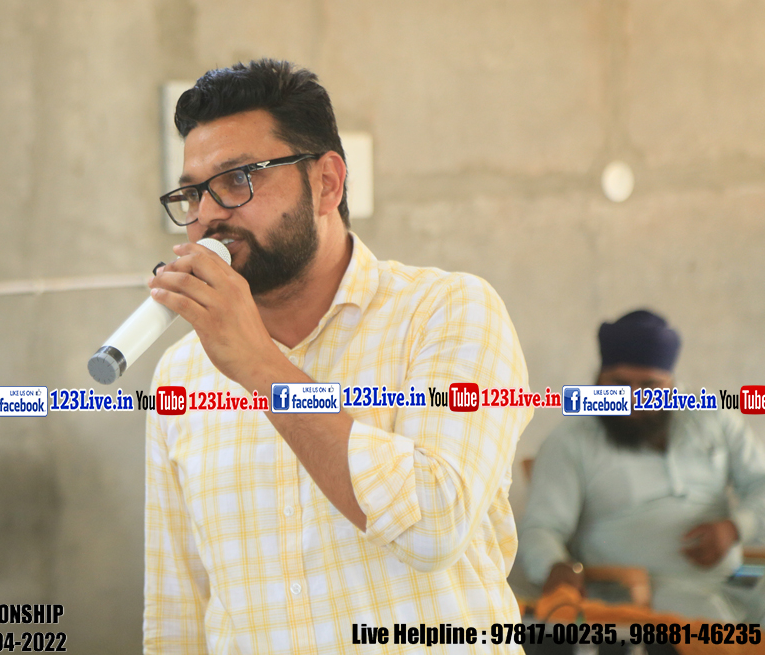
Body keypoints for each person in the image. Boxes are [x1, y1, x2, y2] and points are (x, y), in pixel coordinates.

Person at [144, 59, 533, 654]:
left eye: (238, 179)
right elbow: (177, 612)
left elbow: (435, 523)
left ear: (327, 183)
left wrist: (258, 366)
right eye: (194, 192)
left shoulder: (449, 311)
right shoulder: (180, 373)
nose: (210, 214)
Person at [518, 309, 765, 621]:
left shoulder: (713, 418)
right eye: (619, 384)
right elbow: (541, 528)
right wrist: (554, 566)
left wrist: (736, 527)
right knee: (707, 620)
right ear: (599, 380)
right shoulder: (570, 440)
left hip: (735, 581)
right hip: (641, 597)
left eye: (650, 386)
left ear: (672, 384)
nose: (634, 399)